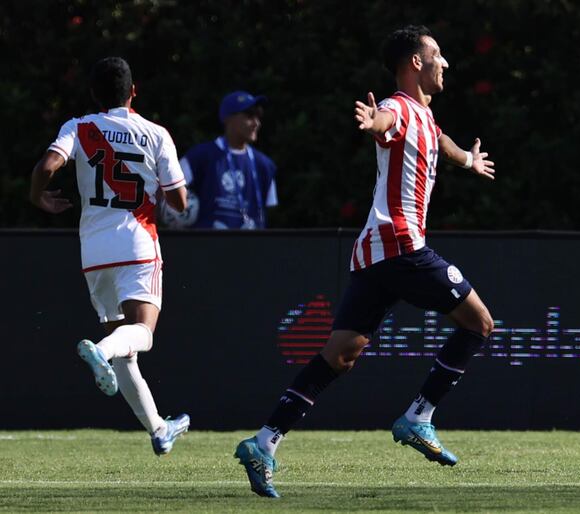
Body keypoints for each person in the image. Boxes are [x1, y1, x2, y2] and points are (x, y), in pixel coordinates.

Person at [234, 25, 496, 498]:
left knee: (340, 355)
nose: (445, 63)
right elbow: (385, 122)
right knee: (479, 323)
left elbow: (442, 142)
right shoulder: (399, 108)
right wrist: (373, 120)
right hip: (401, 245)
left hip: (374, 253)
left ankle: (263, 442)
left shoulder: (425, 119)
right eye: (437, 55)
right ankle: (419, 417)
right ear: (415, 63)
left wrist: (469, 163)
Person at [29, 57, 190, 455]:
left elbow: (49, 164)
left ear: (93, 94)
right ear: (133, 91)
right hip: (137, 244)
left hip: (94, 253)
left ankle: (158, 429)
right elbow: (180, 202)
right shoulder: (155, 133)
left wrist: (36, 196)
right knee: (142, 335)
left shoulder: (79, 127)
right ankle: (99, 351)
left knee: (126, 351)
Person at [167, 91, 277, 229]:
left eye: (258, 115)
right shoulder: (200, 156)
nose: (256, 122)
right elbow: (168, 190)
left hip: (251, 247)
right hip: (208, 246)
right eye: (249, 115)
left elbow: (270, 210)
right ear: (228, 118)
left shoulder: (265, 165)